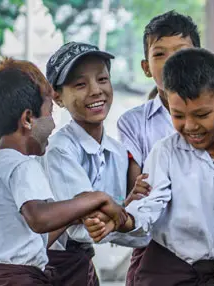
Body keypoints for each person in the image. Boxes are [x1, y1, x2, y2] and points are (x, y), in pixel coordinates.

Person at [85, 48, 214, 286]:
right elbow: (148, 207)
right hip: (162, 274)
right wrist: (122, 220)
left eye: (202, 114)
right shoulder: (166, 153)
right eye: (178, 116)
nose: (190, 126)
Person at [0, 58, 130, 285]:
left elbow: (31, 239)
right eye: (49, 113)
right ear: (27, 119)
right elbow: (39, 218)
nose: (53, 125)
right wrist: (96, 198)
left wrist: (76, 213)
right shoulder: (22, 166)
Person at [116, 12, 214, 283]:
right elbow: (141, 188)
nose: (172, 62)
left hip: (210, 247)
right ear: (146, 67)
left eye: (181, 52)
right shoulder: (134, 123)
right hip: (154, 245)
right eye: (160, 54)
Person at [41, 42, 146, 286]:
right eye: (80, 84)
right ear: (57, 97)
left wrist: (123, 209)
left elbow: (120, 223)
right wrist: (123, 213)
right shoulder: (59, 150)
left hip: (83, 264)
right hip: (52, 267)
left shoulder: (117, 152)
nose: (96, 90)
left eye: (102, 79)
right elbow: (85, 228)